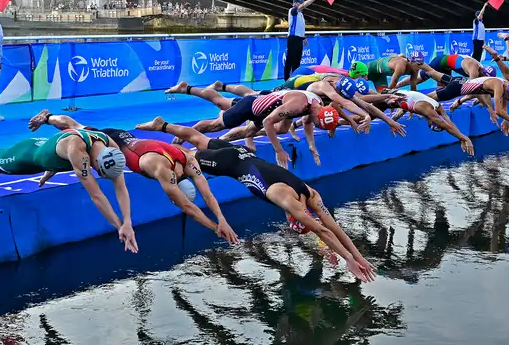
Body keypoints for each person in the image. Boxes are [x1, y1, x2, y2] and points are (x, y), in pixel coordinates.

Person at [137, 118, 376, 282]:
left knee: (197, 137)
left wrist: (358, 257)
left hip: (242, 155)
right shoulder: (288, 201)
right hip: (230, 165)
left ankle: (163, 125)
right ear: (294, 215)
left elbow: (332, 227)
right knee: (189, 155)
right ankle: (160, 152)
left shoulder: (310, 194)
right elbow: (323, 231)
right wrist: (349, 261)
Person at [28, 110, 239, 246]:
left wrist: (222, 219)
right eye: (173, 198)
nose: (173, 199)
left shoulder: (188, 160)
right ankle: (47, 118)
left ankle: (51, 133)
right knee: (76, 130)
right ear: (175, 186)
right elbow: (189, 209)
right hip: (110, 144)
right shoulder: (162, 172)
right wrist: (216, 228)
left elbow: (207, 193)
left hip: (126, 137)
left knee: (77, 127)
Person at [0, 128, 139, 253]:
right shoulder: (78, 154)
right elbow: (97, 196)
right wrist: (118, 226)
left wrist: (128, 222)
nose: (99, 175)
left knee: (1, 169)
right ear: (96, 163)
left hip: (49, 159)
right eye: (100, 173)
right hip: (29, 153)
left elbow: (120, 186)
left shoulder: (109, 146)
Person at [284, 0, 322, 81]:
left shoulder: (300, 15)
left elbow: (299, 27)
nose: (301, 5)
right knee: (290, 59)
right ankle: (286, 79)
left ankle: (294, 78)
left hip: (299, 39)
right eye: (299, 3)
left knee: (297, 60)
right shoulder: (293, 11)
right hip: (293, 38)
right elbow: (304, 5)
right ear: (295, 3)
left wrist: (303, 38)